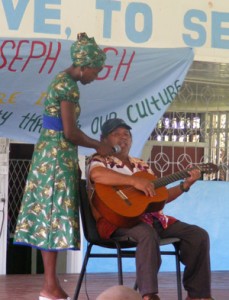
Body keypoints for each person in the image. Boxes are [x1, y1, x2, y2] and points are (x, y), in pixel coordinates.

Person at [13, 32, 114, 300]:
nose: (96, 76)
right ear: (85, 65)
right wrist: (98, 145)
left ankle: (52, 285)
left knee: (50, 217)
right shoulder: (68, 85)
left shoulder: (62, 80)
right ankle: (49, 287)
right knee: (52, 216)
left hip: (53, 154)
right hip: (56, 158)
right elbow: (69, 132)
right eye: (96, 70)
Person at [86, 118, 214, 300]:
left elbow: (159, 198)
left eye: (126, 134)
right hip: (116, 221)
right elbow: (97, 175)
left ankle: (198, 295)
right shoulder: (100, 160)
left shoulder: (142, 166)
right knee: (147, 233)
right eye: (116, 134)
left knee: (197, 235)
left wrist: (184, 185)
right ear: (104, 140)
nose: (123, 138)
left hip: (152, 219)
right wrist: (133, 181)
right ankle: (149, 295)